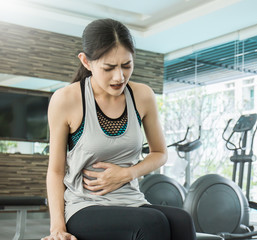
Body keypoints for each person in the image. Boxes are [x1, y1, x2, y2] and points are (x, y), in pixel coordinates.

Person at [42, 18, 196, 240]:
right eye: (109, 67)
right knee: (153, 222)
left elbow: (160, 153)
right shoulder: (66, 99)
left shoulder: (142, 96)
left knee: (182, 220)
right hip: (84, 207)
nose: (119, 77)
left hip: (131, 200)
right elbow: (55, 171)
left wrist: (128, 173)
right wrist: (57, 228)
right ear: (86, 62)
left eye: (126, 65)